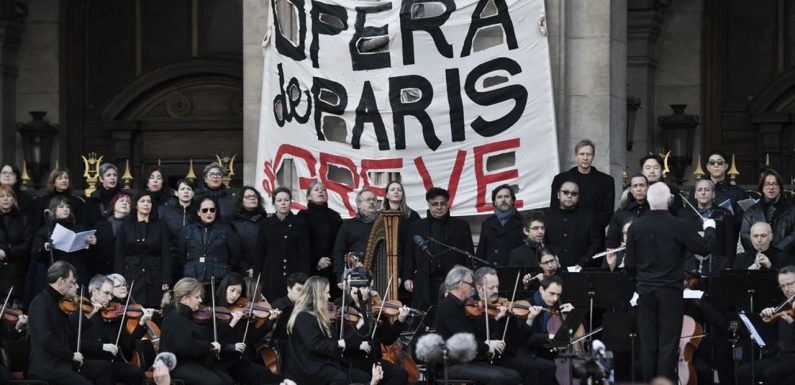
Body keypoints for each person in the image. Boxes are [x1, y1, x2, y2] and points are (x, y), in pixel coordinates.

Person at [624, 182, 716, 382]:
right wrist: (710, 228)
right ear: (669, 200)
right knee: (668, 344)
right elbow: (704, 249)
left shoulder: (636, 226)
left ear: (648, 200)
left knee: (648, 345)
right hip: (670, 292)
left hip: (646, 292)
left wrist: (641, 282)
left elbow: (629, 265)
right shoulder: (678, 225)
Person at [433, 265, 521, 385]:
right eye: (471, 284)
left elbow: (474, 333)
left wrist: (494, 322)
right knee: (498, 378)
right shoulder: (448, 306)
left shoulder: (462, 306)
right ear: (461, 284)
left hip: (470, 361)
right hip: (454, 364)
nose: (473, 288)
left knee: (513, 376)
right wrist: (487, 346)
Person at [473, 267, 558, 385]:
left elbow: (519, 340)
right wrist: (496, 319)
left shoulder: (505, 308)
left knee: (548, 367)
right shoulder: (474, 309)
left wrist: (530, 319)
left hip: (507, 355)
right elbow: (479, 337)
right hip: (487, 358)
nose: (496, 291)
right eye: (491, 288)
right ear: (479, 288)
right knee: (529, 368)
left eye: (497, 286)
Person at [285, 275, 365, 385]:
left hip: (324, 362)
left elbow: (335, 340)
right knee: (340, 378)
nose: (329, 296)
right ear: (318, 295)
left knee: (362, 377)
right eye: (327, 293)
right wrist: (337, 345)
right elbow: (315, 345)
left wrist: (358, 326)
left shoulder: (319, 315)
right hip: (309, 367)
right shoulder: (303, 317)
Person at [335, 268, 409, 385]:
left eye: (368, 287)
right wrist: (356, 345)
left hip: (373, 360)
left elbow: (388, 339)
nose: (367, 291)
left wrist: (400, 320)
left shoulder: (374, 307)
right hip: (352, 361)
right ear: (353, 288)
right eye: (363, 287)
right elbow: (339, 340)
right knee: (365, 378)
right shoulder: (342, 308)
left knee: (400, 374)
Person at [402, 187, 474, 309]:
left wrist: (469, 280)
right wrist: (407, 277)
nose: (439, 207)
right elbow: (409, 254)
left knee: (451, 313)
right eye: (435, 204)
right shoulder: (416, 226)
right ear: (429, 205)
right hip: (425, 280)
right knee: (426, 316)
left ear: (447, 204)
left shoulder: (462, 226)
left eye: (443, 204)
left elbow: (468, 254)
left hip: (453, 281)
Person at [70, 274, 146, 385]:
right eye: (107, 293)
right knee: (104, 371)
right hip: (87, 363)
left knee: (136, 372)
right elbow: (73, 343)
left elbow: (126, 345)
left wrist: (141, 324)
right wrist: (102, 347)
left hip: (109, 362)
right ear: (95, 291)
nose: (110, 298)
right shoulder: (80, 313)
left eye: (111, 294)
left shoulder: (111, 315)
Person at [27, 261, 93, 385]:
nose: (77, 287)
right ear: (61, 281)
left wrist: (86, 317)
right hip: (49, 368)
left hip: (63, 363)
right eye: (72, 282)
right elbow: (46, 339)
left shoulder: (60, 302)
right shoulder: (40, 303)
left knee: (103, 369)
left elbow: (68, 335)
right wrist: (71, 355)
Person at [160, 276, 233, 385]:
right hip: (177, 365)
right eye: (197, 297)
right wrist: (210, 346)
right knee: (215, 382)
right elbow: (185, 346)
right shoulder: (175, 317)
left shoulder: (187, 315)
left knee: (227, 380)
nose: (201, 300)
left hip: (191, 362)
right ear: (185, 298)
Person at [212, 272, 280, 385]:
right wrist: (232, 323)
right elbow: (217, 340)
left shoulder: (241, 313)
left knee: (266, 375)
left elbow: (253, 336)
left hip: (238, 360)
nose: (235, 295)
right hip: (221, 361)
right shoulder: (214, 310)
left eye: (239, 292)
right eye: (232, 290)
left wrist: (270, 320)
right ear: (225, 288)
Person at [736, 265, 795, 384]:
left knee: (771, 374)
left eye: (790, 284)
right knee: (743, 371)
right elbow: (771, 339)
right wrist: (765, 319)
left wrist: (792, 322)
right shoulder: (784, 305)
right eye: (782, 286)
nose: (786, 289)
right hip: (782, 357)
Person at [549, 139, 615, 241]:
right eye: (581, 154)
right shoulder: (560, 179)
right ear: (576, 155)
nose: (585, 158)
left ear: (593, 156)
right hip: (565, 233)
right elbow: (554, 208)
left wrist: (589, 227)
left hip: (594, 235)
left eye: (588, 154)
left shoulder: (606, 181)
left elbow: (607, 212)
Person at [514, 275, 575, 385]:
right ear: (542, 289)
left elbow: (572, 331)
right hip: (531, 353)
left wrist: (572, 315)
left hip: (550, 351)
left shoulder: (558, 306)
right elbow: (524, 340)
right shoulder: (527, 305)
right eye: (552, 294)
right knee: (549, 367)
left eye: (558, 295)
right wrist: (531, 319)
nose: (555, 299)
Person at [114, 190, 171, 307]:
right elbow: (119, 254)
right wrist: (118, 279)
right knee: (133, 309)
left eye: (149, 202)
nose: (146, 204)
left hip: (154, 273)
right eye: (143, 201)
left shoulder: (160, 225)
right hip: (132, 274)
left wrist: (166, 278)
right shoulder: (125, 225)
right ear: (135, 204)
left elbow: (166, 253)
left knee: (154, 308)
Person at [256, 187, 310, 300]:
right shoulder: (265, 224)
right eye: (279, 200)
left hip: (293, 273)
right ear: (274, 204)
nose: (283, 203)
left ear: (291, 202)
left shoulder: (300, 223)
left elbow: (304, 253)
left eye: (286, 200)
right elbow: (260, 252)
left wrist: (303, 276)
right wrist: (257, 276)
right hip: (271, 274)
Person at [32, 196, 97, 284]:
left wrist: (92, 243)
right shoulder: (46, 230)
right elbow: (36, 254)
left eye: (68, 207)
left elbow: (90, 255)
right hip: (57, 272)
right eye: (61, 207)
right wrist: (45, 247)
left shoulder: (79, 228)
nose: (65, 209)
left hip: (77, 272)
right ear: (54, 209)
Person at [677, 179, 736, 274]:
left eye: (707, 190)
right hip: (690, 266)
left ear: (713, 194)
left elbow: (730, 243)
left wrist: (729, 266)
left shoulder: (724, 213)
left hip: (717, 264)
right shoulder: (683, 214)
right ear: (695, 195)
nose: (703, 192)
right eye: (699, 190)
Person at [179, 196, 241, 284]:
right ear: (198, 212)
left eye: (212, 210)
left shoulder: (226, 229)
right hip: (193, 280)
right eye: (205, 210)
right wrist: (190, 268)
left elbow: (235, 254)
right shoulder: (188, 230)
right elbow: (180, 254)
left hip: (219, 280)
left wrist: (224, 268)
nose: (209, 213)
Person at [297, 181, 343, 298]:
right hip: (310, 268)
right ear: (308, 196)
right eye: (316, 190)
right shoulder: (302, 217)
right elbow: (301, 245)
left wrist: (329, 260)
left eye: (323, 190)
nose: (321, 191)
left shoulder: (335, 217)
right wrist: (316, 260)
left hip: (331, 267)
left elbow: (339, 243)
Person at [544, 179, 602, 268]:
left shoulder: (589, 218)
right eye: (566, 192)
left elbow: (596, 243)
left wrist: (583, 262)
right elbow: (542, 243)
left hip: (582, 270)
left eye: (574, 193)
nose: (569, 196)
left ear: (578, 197)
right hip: (552, 270)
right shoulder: (547, 217)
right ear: (558, 194)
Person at [740, 168, 795, 254]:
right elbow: (744, 235)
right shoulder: (751, 211)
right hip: (758, 257)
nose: (771, 187)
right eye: (767, 184)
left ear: (780, 188)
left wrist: (777, 250)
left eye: (775, 184)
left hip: (785, 258)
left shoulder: (791, 209)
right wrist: (761, 250)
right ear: (762, 188)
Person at [332, 189, 380, 284]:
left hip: (379, 273)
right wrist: (340, 275)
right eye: (368, 200)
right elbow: (338, 251)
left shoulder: (382, 224)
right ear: (358, 204)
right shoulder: (348, 225)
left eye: (374, 200)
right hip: (356, 273)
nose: (372, 202)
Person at [475, 184, 524, 267]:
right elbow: (481, 252)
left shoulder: (522, 221)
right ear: (495, 202)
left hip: (513, 270)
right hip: (491, 272)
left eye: (507, 196)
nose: (503, 200)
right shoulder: (487, 223)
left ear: (512, 200)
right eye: (499, 197)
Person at [0, 185, 32, 302]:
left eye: (9, 196)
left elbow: (27, 243)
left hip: (17, 269)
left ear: (14, 199)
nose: (5, 199)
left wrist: (7, 252)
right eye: (2, 196)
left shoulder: (23, 219)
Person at [160, 178, 195, 282]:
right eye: (182, 189)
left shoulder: (198, 212)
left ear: (193, 193)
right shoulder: (167, 213)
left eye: (189, 189)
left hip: (192, 258)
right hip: (172, 258)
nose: (186, 191)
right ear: (176, 193)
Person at [33, 167, 85, 232]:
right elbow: (38, 225)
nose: (64, 181)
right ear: (53, 182)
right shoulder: (43, 201)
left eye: (66, 178)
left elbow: (81, 225)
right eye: (60, 178)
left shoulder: (77, 202)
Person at [231, 186, 268, 277]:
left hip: (263, 270)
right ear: (241, 201)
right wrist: (245, 268)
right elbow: (233, 251)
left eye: (255, 196)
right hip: (241, 272)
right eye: (248, 197)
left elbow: (269, 249)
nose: (252, 198)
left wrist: (258, 267)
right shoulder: (233, 224)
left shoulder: (266, 222)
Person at [606, 174, 650, 249]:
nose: (639, 189)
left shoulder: (654, 209)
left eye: (642, 185)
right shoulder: (621, 212)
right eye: (635, 186)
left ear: (648, 187)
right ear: (631, 190)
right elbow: (612, 239)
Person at [94, 191, 132, 275]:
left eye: (128, 202)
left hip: (126, 269)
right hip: (103, 269)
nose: (125, 203)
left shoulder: (134, 224)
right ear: (113, 205)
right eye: (121, 201)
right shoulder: (100, 225)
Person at [83, 162, 121, 227]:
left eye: (115, 175)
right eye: (108, 175)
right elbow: (85, 223)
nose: (112, 178)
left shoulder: (122, 197)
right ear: (101, 179)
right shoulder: (92, 200)